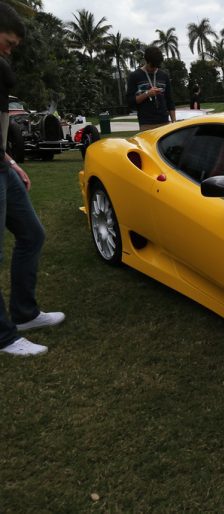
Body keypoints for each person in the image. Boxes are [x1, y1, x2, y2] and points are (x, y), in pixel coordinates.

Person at [0, 4, 65, 357]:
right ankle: (4, 337)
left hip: (2, 166)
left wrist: (10, 160)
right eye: (8, 43)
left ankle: (24, 315)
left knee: (32, 234)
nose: (11, 51)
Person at [126, 46, 176, 131]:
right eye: (152, 66)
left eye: (157, 66)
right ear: (146, 61)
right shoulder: (134, 76)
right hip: (146, 124)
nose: (154, 68)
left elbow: (170, 100)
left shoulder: (164, 76)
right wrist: (147, 94)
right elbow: (130, 101)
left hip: (164, 122)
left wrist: (174, 122)